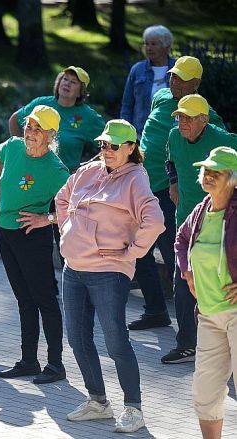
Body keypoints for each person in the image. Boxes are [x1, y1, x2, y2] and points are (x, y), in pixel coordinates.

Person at [56, 119, 165, 433]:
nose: (107, 150)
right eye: (103, 144)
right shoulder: (88, 170)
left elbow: (155, 220)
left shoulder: (135, 179)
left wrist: (131, 253)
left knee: (116, 341)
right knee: (77, 339)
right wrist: (66, 230)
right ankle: (98, 402)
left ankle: (134, 408)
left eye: (114, 145)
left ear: (131, 148)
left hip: (108, 272)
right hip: (73, 268)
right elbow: (62, 199)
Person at [129, 56, 225, 335]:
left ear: (195, 84)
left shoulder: (205, 113)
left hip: (170, 196)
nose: (173, 82)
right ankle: (156, 310)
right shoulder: (160, 97)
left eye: (181, 78)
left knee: (176, 255)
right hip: (142, 184)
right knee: (140, 248)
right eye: (172, 76)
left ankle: (194, 324)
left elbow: (218, 147)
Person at [0, 105, 69, 384]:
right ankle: (28, 361)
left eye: (38, 129)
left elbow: (75, 206)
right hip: (7, 233)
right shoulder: (12, 147)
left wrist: (46, 218)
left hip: (31, 236)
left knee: (45, 299)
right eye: (29, 126)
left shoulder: (55, 169)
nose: (30, 133)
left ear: (51, 135)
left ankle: (56, 364)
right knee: (24, 300)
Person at [160, 95, 237, 365]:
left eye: (189, 117)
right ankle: (186, 345)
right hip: (188, 222)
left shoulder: (224, 141)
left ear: (204, 119)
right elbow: (169, 159)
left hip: (223, 226)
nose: (183, 122)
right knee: (182, 285)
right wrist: (173, 182)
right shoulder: (173, 136)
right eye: (180, 116)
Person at [175, 147, 237, 439]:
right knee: (205, 393)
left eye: (218, 171)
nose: (209, 175)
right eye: (206, 170)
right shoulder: (202, 210)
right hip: (210, 315)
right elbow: (181, 238)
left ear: (233, 179)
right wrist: (186, 269)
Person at [8, 66, 104, 173]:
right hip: (33, 170)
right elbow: (14, 119)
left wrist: (88, 166)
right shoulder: (41, 104)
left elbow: (111, 143)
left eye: (73, 82)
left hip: (65, 178)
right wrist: (21, 149)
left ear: (81, 92)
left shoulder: (88, 116)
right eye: (65, 79)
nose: (67, 83)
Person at [120, 25, 176, 137]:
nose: (149, 48)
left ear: (166, 46)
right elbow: (127, 105)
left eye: (154, 44)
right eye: (146, 44)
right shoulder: (137, 70)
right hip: (141, 134)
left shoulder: (178, 68)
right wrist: (124, 133)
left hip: (172, 135)